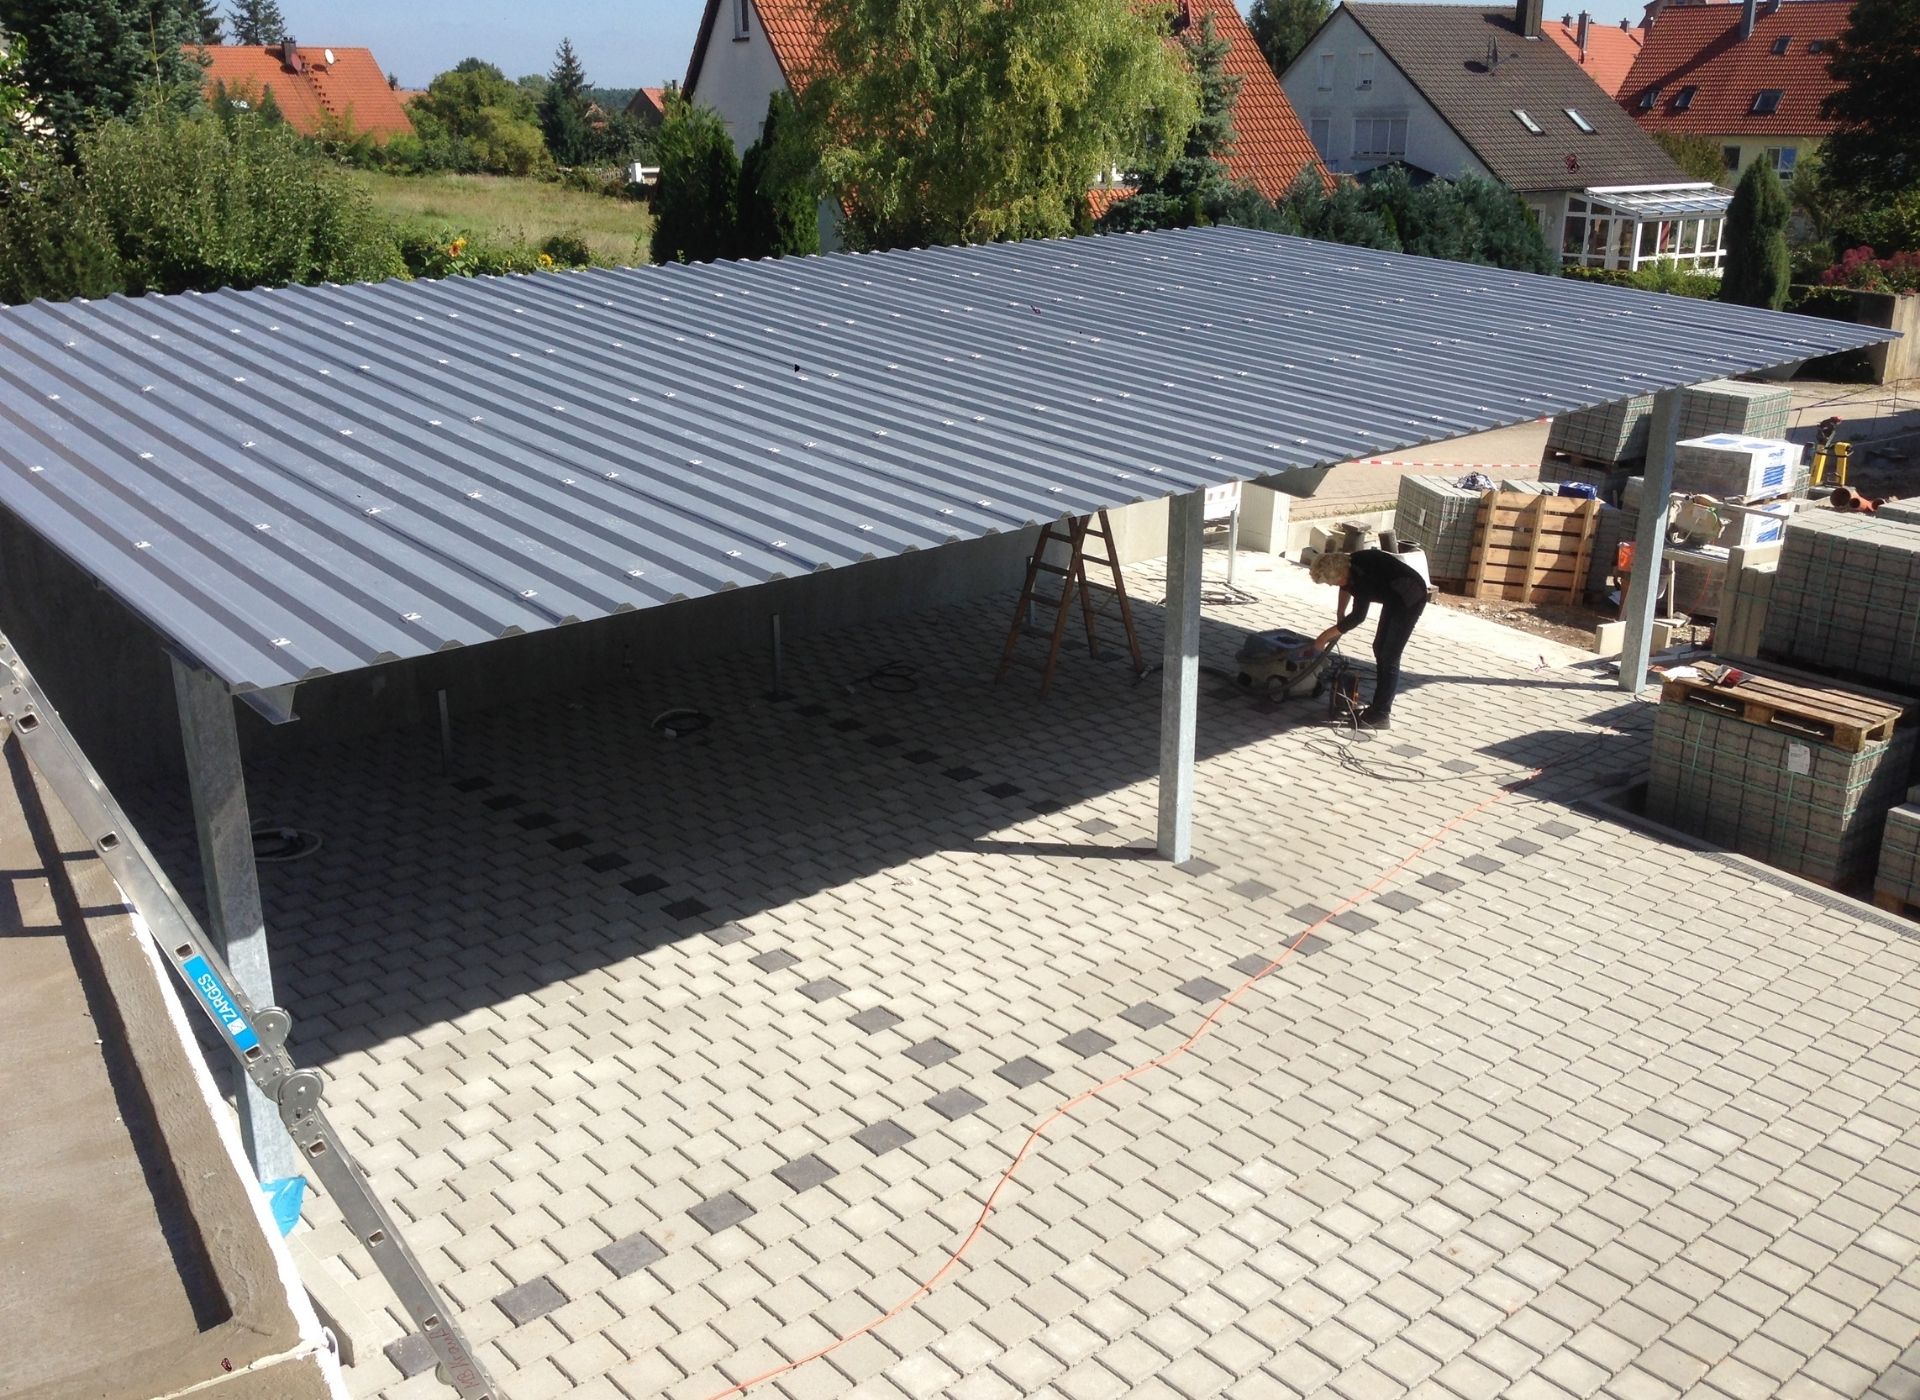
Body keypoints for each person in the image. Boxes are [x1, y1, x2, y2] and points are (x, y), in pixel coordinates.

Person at [1308, 548, 1428, 729]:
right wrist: (1340, 613)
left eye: (1332, 583)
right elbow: (1345, 586)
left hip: (1409, 597)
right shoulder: (1348, 563)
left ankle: (1381, 714)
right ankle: (1378, 707)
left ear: (1340, 575)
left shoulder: (1362, 580)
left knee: (1389, 654)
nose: (1333, 586)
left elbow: (1357, 617)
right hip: (1394, 593)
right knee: (1379, 647)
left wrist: (1323, 638)